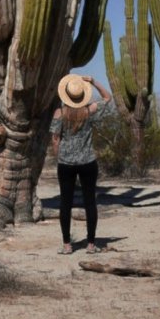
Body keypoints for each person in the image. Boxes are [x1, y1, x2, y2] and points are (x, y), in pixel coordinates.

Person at [49, 73, 111, 254]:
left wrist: (58, 156)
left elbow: (55, 138)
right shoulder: (89, 110)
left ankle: (67, 245)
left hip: (66, 163)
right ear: (82, 95)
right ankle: (91, 244)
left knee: (65, 203)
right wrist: (94, 82)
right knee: (90, 201)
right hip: (88, 161)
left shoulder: (59, 113)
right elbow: (107, 98)